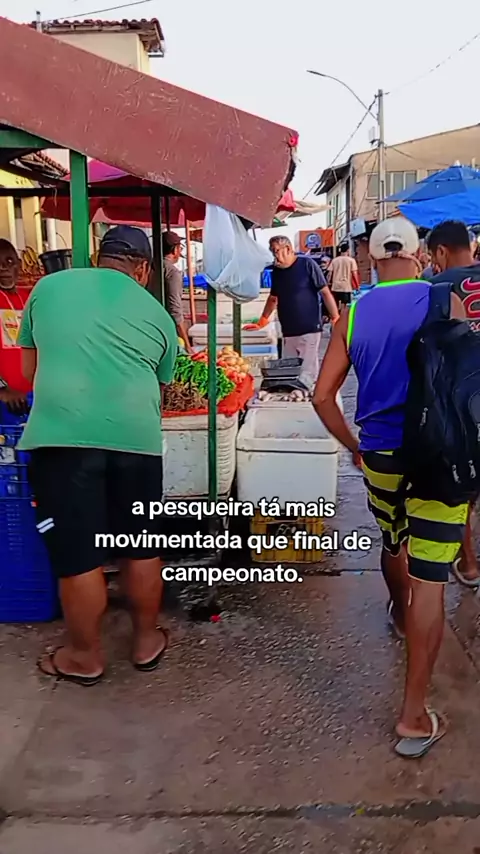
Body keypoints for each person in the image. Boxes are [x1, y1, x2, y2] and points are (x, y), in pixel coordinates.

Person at [313, 217, 467, 758]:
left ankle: (399, 615)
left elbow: (322, 397)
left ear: (373, 260)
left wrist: (353, 446)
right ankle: (413, 716)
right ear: (420, 255)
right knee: (432, 578)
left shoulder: (352, 315)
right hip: (440, 454)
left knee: (393, 539)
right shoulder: (445, 300)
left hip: (379, 453)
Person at [18, 225, 178, 685]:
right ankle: (146, 641)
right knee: (141, 547)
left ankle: (84, 657)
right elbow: (161, 388)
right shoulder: (158, 316)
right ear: (143, 269)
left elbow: (28, 372)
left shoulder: (49, 288)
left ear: (97, 257)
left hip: (62, 441)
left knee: (80, 555)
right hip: (138, 444)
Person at [427, 220, 480, 588]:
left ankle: (469, 562)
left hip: (461, 402)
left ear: (441, 252)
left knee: (461, 484)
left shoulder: (436, 288)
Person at [244, 235, 339, 383]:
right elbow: (273, 298)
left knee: (307, 373)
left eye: (276, 251)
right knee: (289, 372)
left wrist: (335, 317)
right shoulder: (277, 271)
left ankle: (308, 393)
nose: (274, 256)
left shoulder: (307, 264)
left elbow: (325, 292)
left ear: (288, 249)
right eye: (272, 251)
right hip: (288, 331)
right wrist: (262, 320)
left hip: (309, 328)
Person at [0, 239, 31, 414]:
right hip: (5, 402)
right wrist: (2, 390)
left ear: (19, 265)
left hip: (32, 398)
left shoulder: (29, 298)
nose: (3, 268)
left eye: (9, 262)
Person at [162, 230, 193, 354]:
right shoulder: (172, 272)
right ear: (175, 250)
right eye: (180, 248)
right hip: (165, 331)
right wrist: (187, 346)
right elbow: (175, 310)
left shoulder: (148, 267)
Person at [328, 242, 359, 311]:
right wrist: (357, 286)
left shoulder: (334, 260)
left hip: (335, 286)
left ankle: (336, 316)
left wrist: (328, 283)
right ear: (348, 250)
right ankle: (343, 316)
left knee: (335, 305)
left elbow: (330, 274)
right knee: (345, 306)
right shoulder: (351, 260)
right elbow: (354, 274)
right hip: (346, 287)